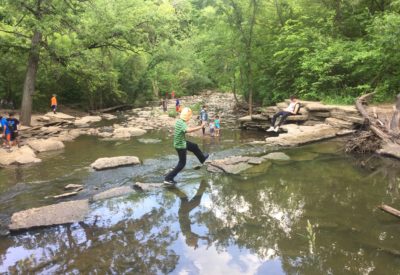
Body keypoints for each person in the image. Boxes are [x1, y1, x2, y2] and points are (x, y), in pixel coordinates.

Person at [164, 107, 209, 185]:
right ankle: (168, 178)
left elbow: (185, 129)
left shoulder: (179, 121)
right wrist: (201, 127)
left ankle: (202, 159)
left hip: (181, 142)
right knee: (182, 163)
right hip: (180, 145)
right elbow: (188, 130)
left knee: (194, 146)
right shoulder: (182, 123)